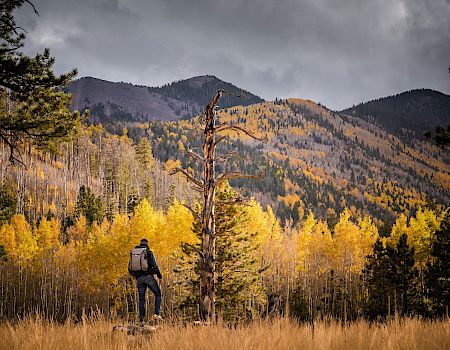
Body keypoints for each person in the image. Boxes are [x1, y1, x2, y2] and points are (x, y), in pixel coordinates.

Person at [128, 238, 163, 323]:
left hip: (139, 278)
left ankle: (142, 320)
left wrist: (134, 275)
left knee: (141, 299)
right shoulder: (148, 252)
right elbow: (154, 265)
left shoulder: (134, 252)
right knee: (158, 294)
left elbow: (129, 267)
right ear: (147, 244)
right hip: (148, 277)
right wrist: (159, 276)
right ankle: (156, 314)